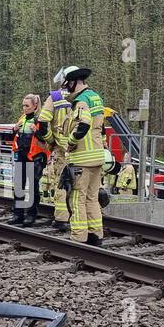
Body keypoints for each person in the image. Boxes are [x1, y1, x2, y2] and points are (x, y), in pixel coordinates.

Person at [56, 65, 106, 245]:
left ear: (72, 82)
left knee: (77, 199)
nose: (65, 88)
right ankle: (95, 236)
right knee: (92, 198)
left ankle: (79, 239)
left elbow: (83, 125)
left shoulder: (81, 101)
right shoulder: (95, 97)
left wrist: (70, 142)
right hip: (97, 157)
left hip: (82, 159)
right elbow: (100, 129)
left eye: (66, 84)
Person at [37, 83, 74, 231]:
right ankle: (79, 217)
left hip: (62, 148)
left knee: (61, 183)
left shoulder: (55, 97)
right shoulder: (86, 96)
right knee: (80, 185)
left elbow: (43, 122)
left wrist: (50, 140)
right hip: (82, 149)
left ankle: (61, 219)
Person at [10, 94, 49, 225]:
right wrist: (14, 129)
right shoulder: (23, 118)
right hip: (22, 155)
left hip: (34, 157)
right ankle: (18, 214)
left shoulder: (39, 120)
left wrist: (36, 131)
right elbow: (16, 136)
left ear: (35, 106)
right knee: (18, 186)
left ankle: (31, 215)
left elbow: (47, 139)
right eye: (23, 105)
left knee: (33, 187)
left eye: (27, 105)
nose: (24, 108)